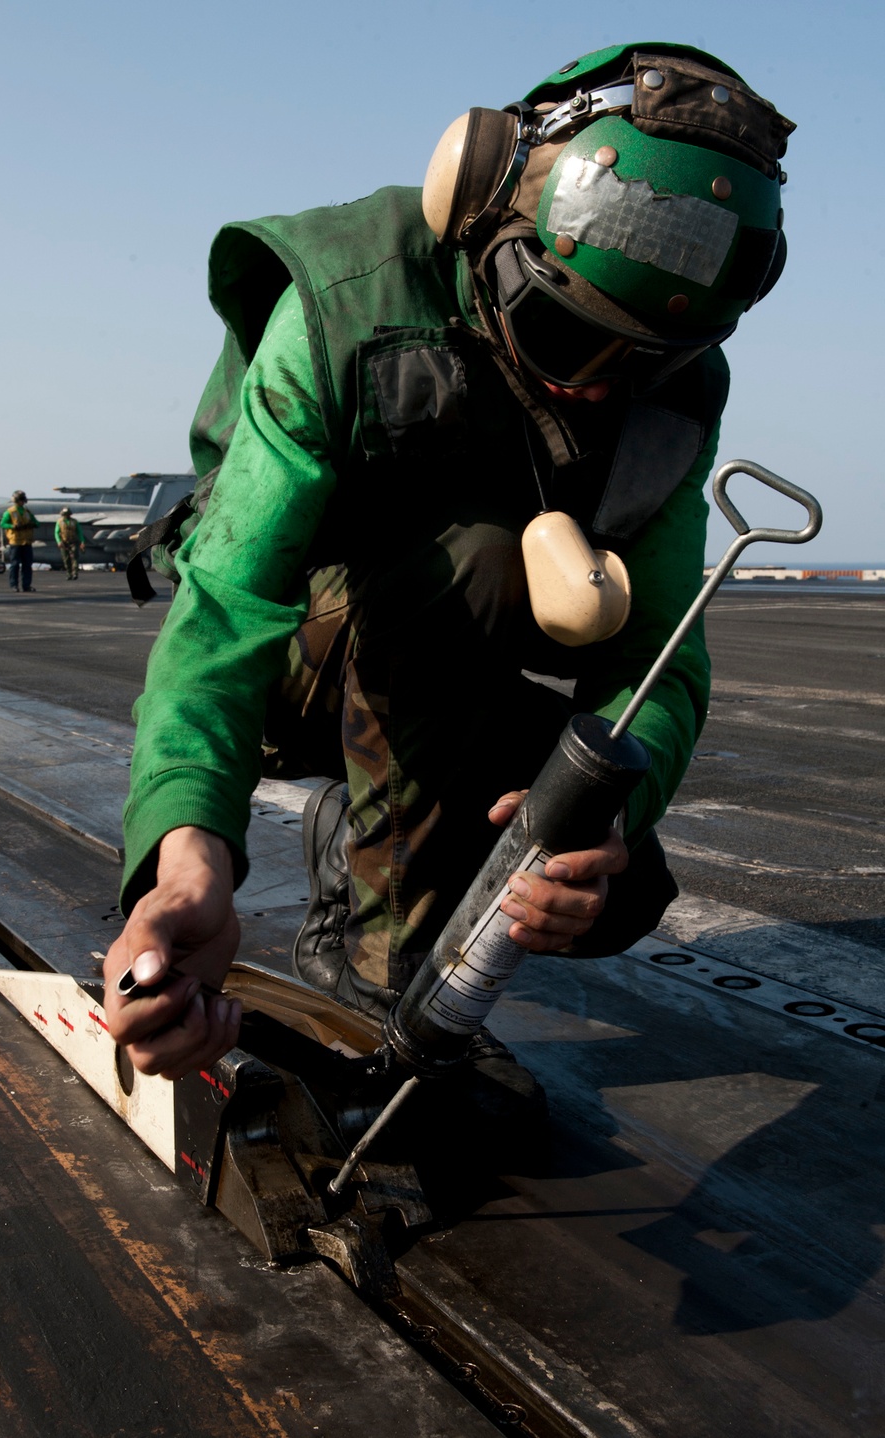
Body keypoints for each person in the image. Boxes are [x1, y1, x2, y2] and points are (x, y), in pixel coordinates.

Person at [104, 43, 794, 1081]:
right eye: (566, 337)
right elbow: (230, 600)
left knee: (626, 891)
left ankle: (369, 839)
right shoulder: (344, 303)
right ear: (477, 215)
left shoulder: (680, 390)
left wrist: (606, 820)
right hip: (304, 666)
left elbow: (656, 654)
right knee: (469, 562)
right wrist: (186, 852)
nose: (601, 392)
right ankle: (374, 975)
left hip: (446, 680)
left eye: (646, 361)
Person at [0, 490, 38, 593]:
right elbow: (3, 524)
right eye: (20, 500)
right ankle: (14, 585)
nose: (22, 502)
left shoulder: (27, 512)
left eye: (23, 500)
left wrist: (32, 524)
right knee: (15, 564)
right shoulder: (10, 512)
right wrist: (13, 526)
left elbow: (36, 522)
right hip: (15, 542)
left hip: (27, 541)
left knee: (27, 565)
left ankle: (26, 586)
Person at [55, 507, 86, 579]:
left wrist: (82, 542)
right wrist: (59, 541)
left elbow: (79, 532)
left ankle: (75, 573)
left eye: (67, 514)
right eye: (65, 514)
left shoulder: (74, 522)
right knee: (66, 559)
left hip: (73, 542)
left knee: (75, 557)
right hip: (63, 542)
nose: (66, 515)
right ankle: (69, 573)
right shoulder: (59, 522)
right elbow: (56, 532)